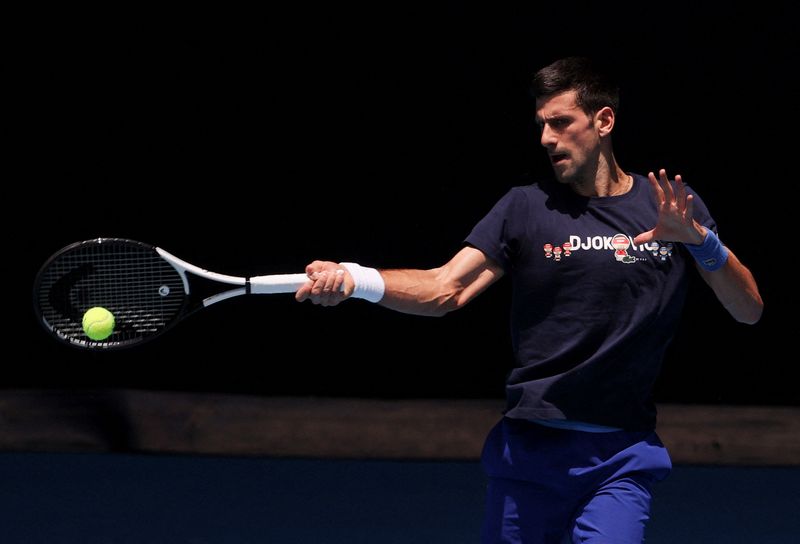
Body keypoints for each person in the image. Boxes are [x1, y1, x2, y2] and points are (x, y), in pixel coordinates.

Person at [295, 56, 763, 543]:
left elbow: (748, 310)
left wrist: (700, 243)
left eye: (561, 123)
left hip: (621, 458)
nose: (546, 139)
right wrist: (355, 277)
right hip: (529, 453)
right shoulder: (523, 207)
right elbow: (444, 289)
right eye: (541, 125)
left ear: (603, 121)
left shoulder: (668, 208)